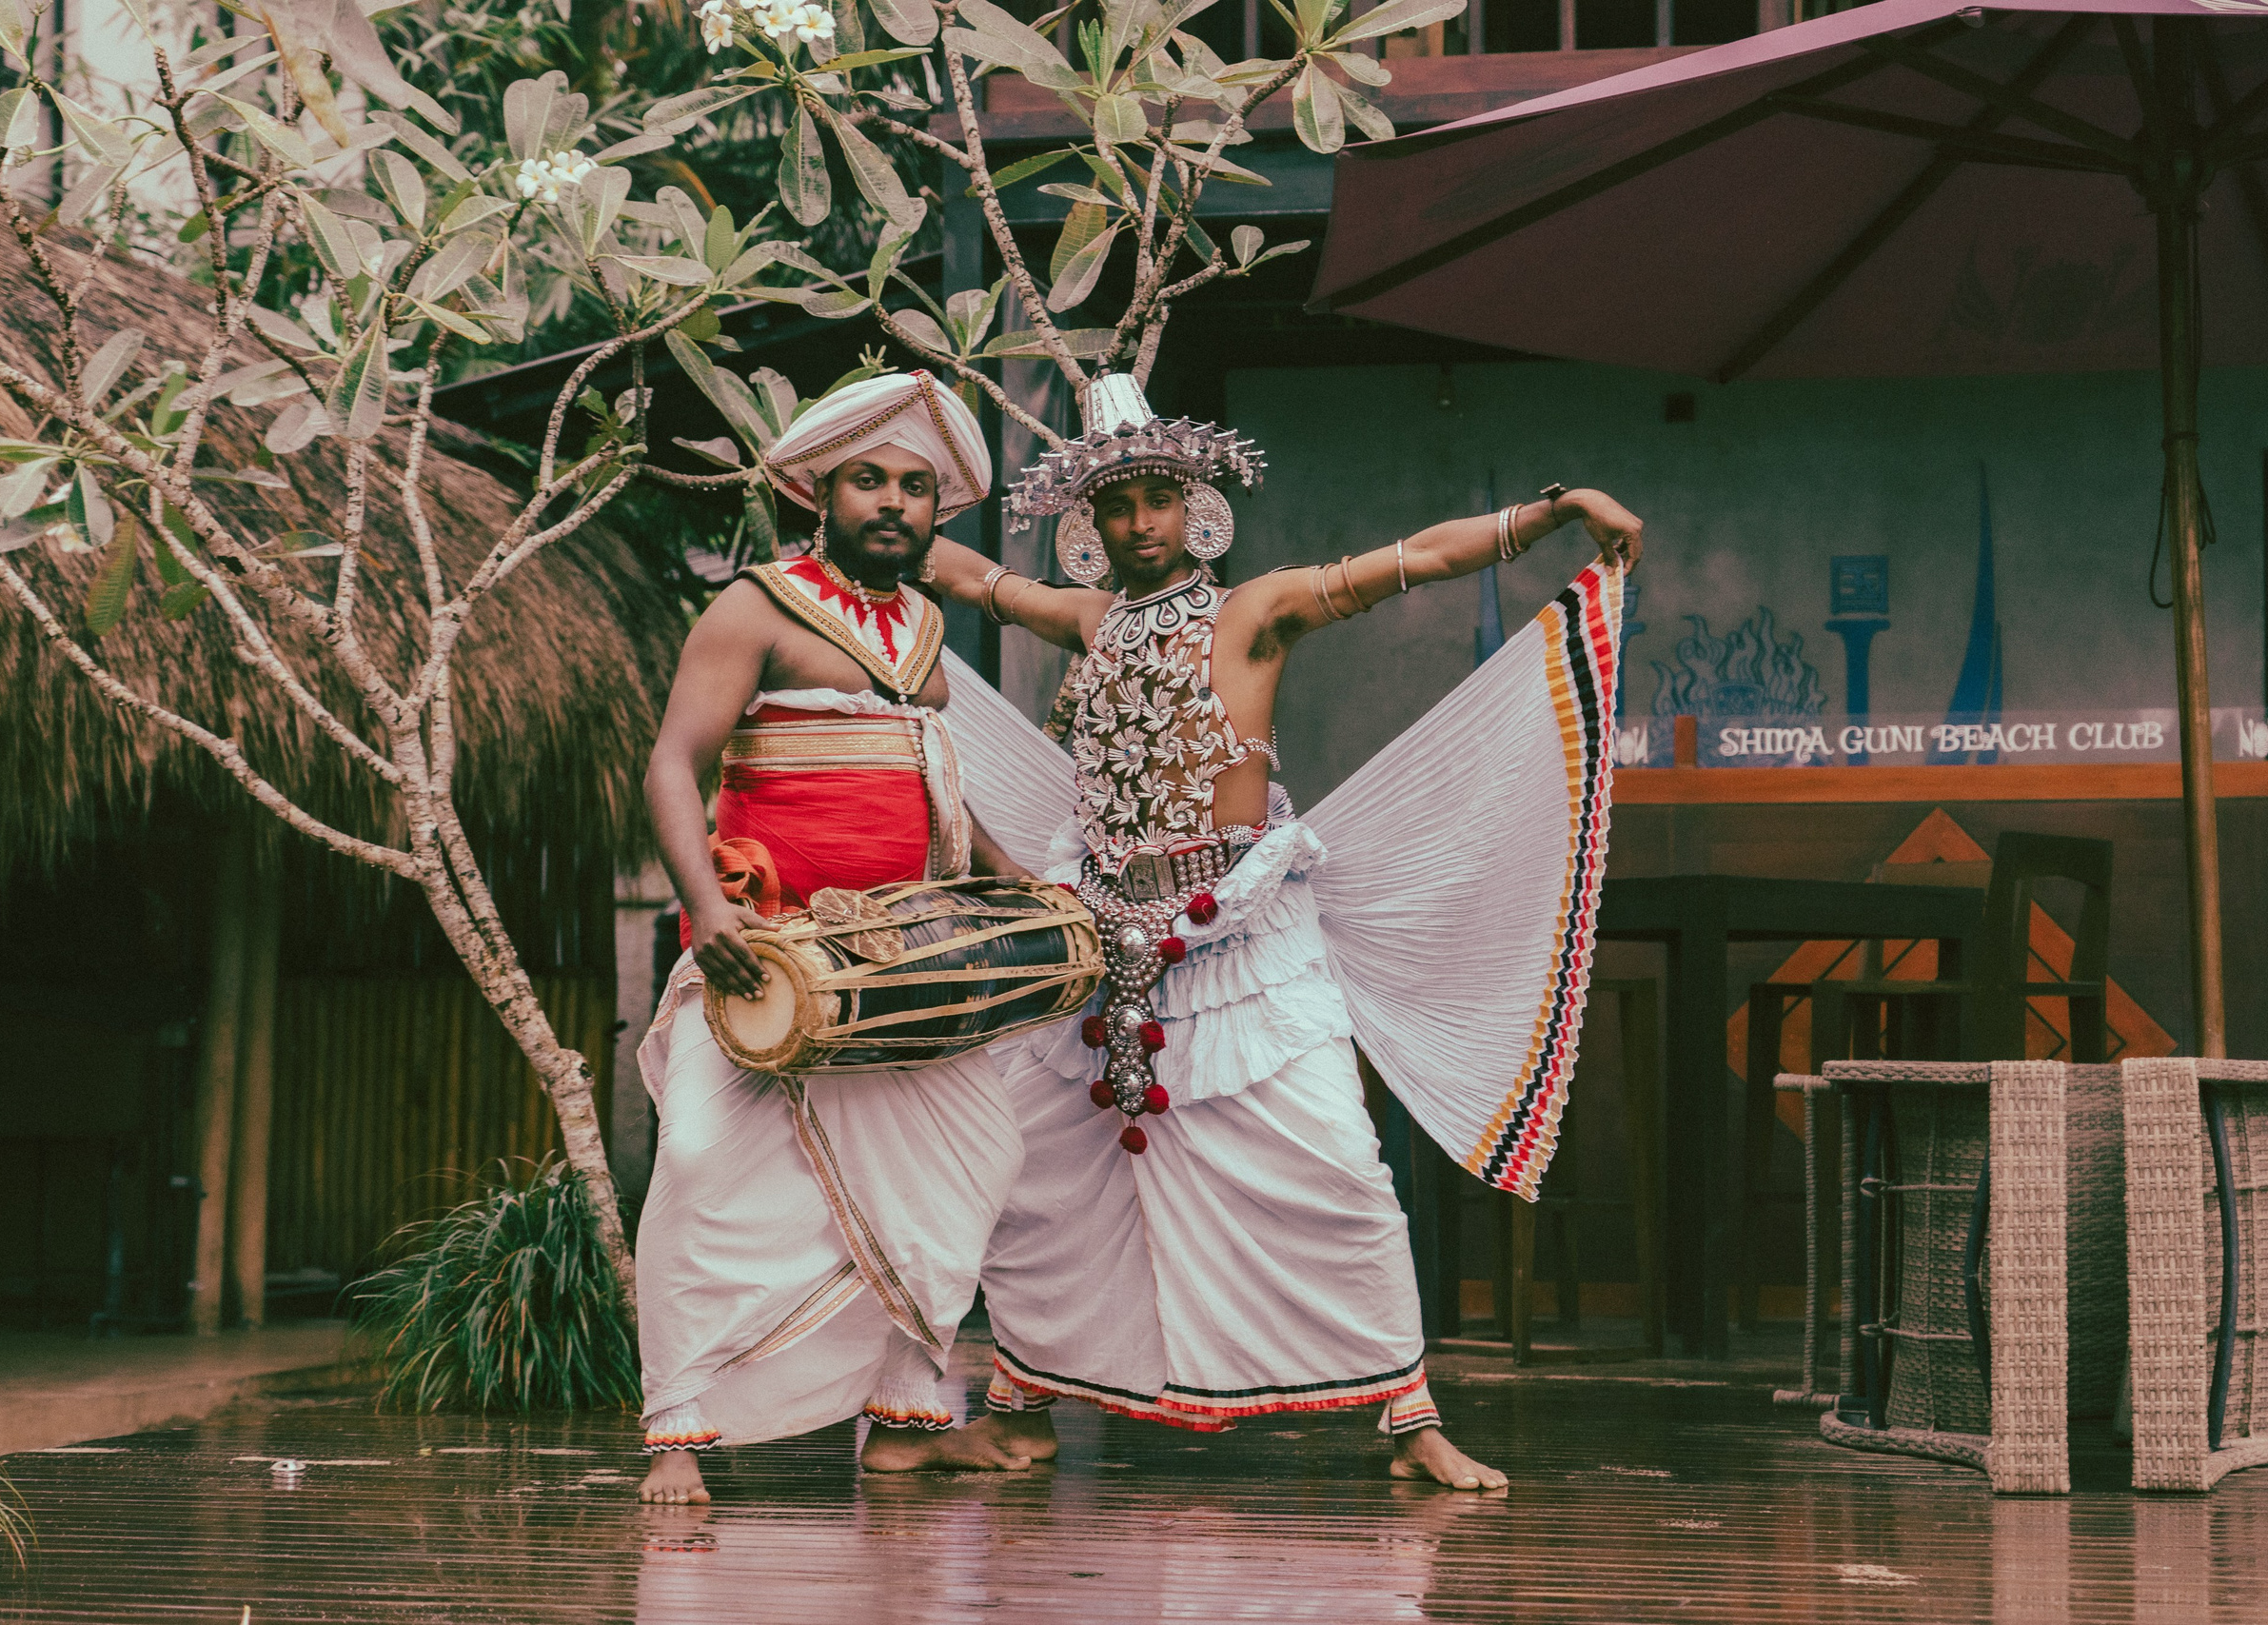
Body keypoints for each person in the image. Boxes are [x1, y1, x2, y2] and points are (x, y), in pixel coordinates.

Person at [923, 372, 1644, 1491]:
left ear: (1197, 505)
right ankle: (1021, 1416)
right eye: (1114, 505)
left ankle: (1410, 1424)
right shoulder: (1086, 619)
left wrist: (1550, 513)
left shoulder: (1256, 611)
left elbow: (1414, 561)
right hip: (1103, 937)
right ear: (1089, 524)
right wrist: (852, 521)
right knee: (1042, 1181)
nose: (1138, 523)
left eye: (1157, 498)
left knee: (1337, 1166)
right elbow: (969, 574)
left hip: (1244, 935)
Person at [634, 370, 1036, 1504]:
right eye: (871, 480)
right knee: (709, 1165)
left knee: (973, 1166)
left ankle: (907, 1420)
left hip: (906, 960)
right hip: (771, 953)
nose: (894, 503)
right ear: (820, 488)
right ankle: (678, 1429)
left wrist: (1010, 880)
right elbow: (674, 762)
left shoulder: (922, 622)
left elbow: (933, 778)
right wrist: (708, 912)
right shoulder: (753, 607)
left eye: (916, 487)